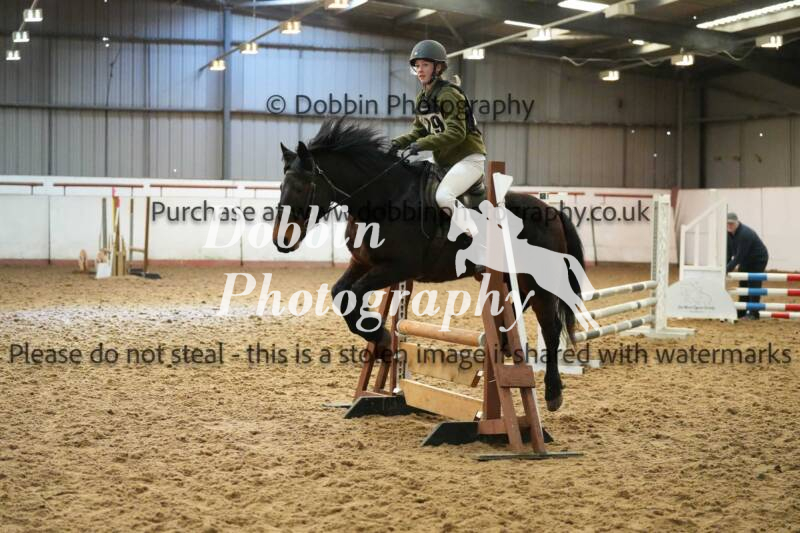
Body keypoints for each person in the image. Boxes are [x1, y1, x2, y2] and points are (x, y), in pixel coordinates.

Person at [391, 39, 487, 237]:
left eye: (425, 65)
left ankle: (478, 238)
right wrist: (397, 143)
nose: (420, 70)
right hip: (443, 160)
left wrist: (421, 144)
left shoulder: (449, 94)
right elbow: (419, 131)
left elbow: (457, 133)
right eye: (417, 66)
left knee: (444, 196)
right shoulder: (422, 98)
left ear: (438, 67)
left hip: (468, 158)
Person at [726, 212, 769, 320]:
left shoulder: (745, 234)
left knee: (753, 284)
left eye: (731, 223)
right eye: (727, 223)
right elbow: (729, 253)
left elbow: (738, 257)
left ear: (737, 222)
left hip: (758, 259)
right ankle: (741, 311)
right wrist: (725, 267)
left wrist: (726, 269)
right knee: (743, 284)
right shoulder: (728, 233)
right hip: (746, 259)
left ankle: (754, 313)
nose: (729, 225)